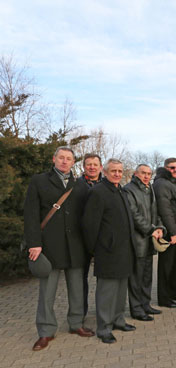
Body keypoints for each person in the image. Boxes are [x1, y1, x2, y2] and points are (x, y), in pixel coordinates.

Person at [24, 146, 94, 351]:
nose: (64, 161)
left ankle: (76, 324)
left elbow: (87, 217)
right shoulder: (38, 181)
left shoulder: (80, 185)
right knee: (47, 291)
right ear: (54, 159)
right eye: (61, 158)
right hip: (48, 246)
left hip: (75, 247)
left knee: (77, 289)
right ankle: (45, 331)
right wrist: (34, 243)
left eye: (68, 159)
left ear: (74, 163)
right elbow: (30, 214)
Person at [82, 158, 137, 344]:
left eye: (120, 171)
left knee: (121, 289)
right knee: (107, 292)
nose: (117, 174)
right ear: (104, 172)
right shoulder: (98, 192)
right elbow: (90, 225)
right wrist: (96, 249)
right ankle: (104, 327)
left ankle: (118, 320)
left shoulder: (120, 190)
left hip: (124, 250)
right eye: (113, 171)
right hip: (107, 251)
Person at [123, 164, 165, 321]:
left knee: (147, 275)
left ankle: (145, 304)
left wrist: (159, 228)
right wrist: (150, 229)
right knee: (136, 277)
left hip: (149, 240)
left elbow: (156, 212)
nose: (146, 176)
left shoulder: (150, 189)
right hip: (138, 241)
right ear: (136, 173)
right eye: (143, 173)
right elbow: (134, 214)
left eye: (149, 173)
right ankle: (136, 309)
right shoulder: (129, 189)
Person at [153, 158, 176, 307]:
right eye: (172, 168)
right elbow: (165, 210)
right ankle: (164, 298)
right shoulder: (161, 183)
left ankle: (173, 292)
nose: (175, 170)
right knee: (166, 267)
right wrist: (173, 232)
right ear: (165, 168)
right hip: (171, 233)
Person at [77, 153, 103, 316]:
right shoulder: (77, 185)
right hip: (81, 240)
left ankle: (104, 312)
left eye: (95, 164)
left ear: (100, 167)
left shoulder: (108, 184)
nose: (92, 167)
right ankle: (80, 313)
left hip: (103, 241)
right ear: (84, 167)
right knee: (80, 280)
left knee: (105, 280)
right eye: (89, 164)